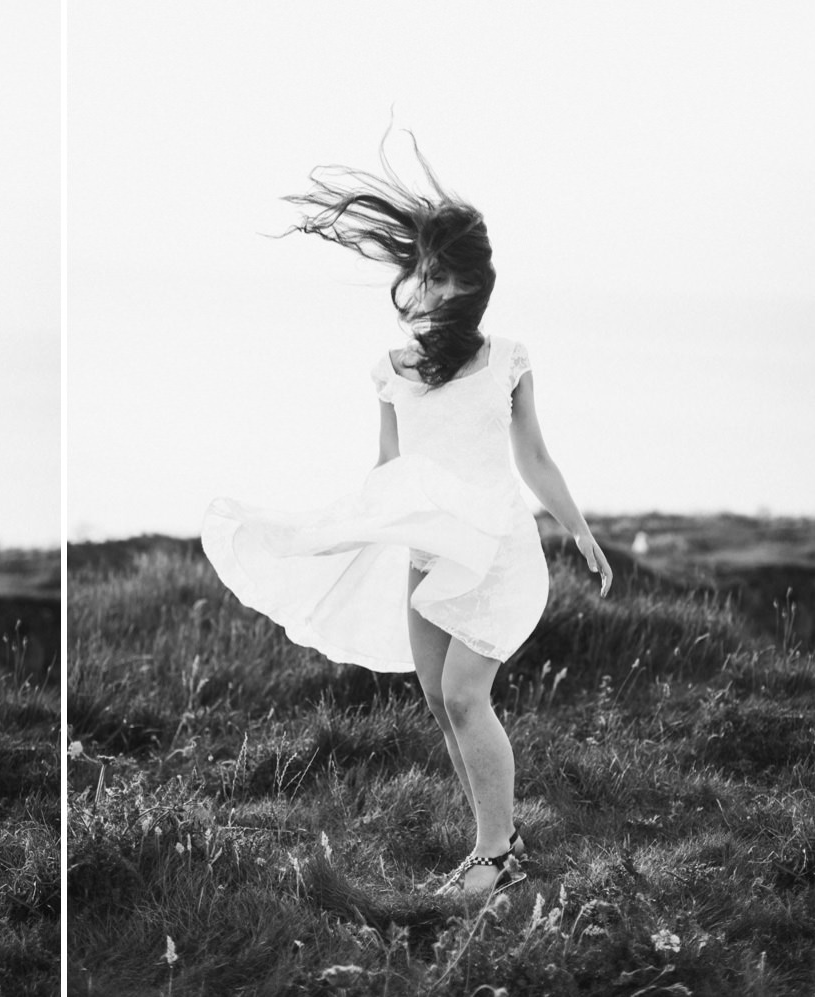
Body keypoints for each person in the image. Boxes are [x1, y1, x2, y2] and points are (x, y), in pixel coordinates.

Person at [201, 133, 612, 897]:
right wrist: (343, 533)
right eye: (422, 273)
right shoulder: (391, 372)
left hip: (497, 550)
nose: (428, 289)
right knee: (437, 700)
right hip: (425, 553)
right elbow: (387, 472)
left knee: (464, 693)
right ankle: (497, 844)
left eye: (444, 276)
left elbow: (535, 459)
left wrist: (578, 526)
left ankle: (494, 858)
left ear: (472, 284)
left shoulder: (509, 359)